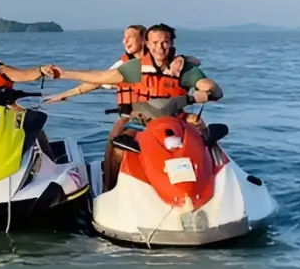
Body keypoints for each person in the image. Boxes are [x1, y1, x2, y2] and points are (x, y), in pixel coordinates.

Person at [45, 23, 222, 188]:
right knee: (118, 149)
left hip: (176, 121)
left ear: (171, 44)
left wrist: (203, 94)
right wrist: (64, 73)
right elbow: (100, 77)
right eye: (155, 43)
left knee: (201, 133)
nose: (160, 47)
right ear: (147, 44)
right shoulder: (134, 68)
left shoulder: (184, 69)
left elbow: (212, 88)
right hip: (141, 122)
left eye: (165, 42)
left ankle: (209, 181)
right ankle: (111, 187)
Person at [44, 24, 197, 111]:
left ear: (144, 40)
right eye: (124, 38)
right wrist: (65, 93)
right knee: (115, 141)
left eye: (131, 37)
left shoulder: (172, 62)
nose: (125, 41)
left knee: (198, 127)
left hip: (169, 116)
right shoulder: (123, 66)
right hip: (134, 116)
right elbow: (98, 80)